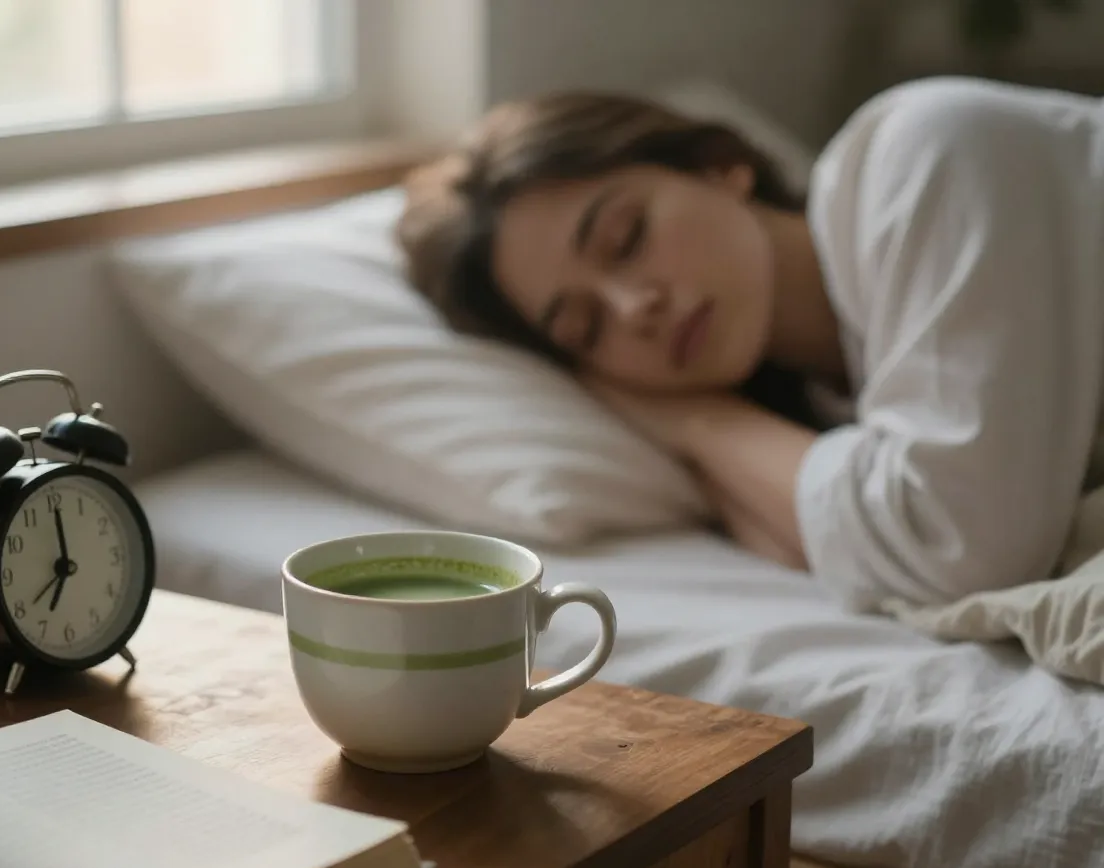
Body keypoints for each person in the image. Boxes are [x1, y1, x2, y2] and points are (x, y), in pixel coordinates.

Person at [395, 75, 1104, 614]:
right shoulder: (824, 400)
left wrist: (700, 423)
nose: (633, 307)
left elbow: (959, 547)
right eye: (585, 328)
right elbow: (839, 555)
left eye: (626, 237)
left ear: (719, 165)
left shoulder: (932, 150)